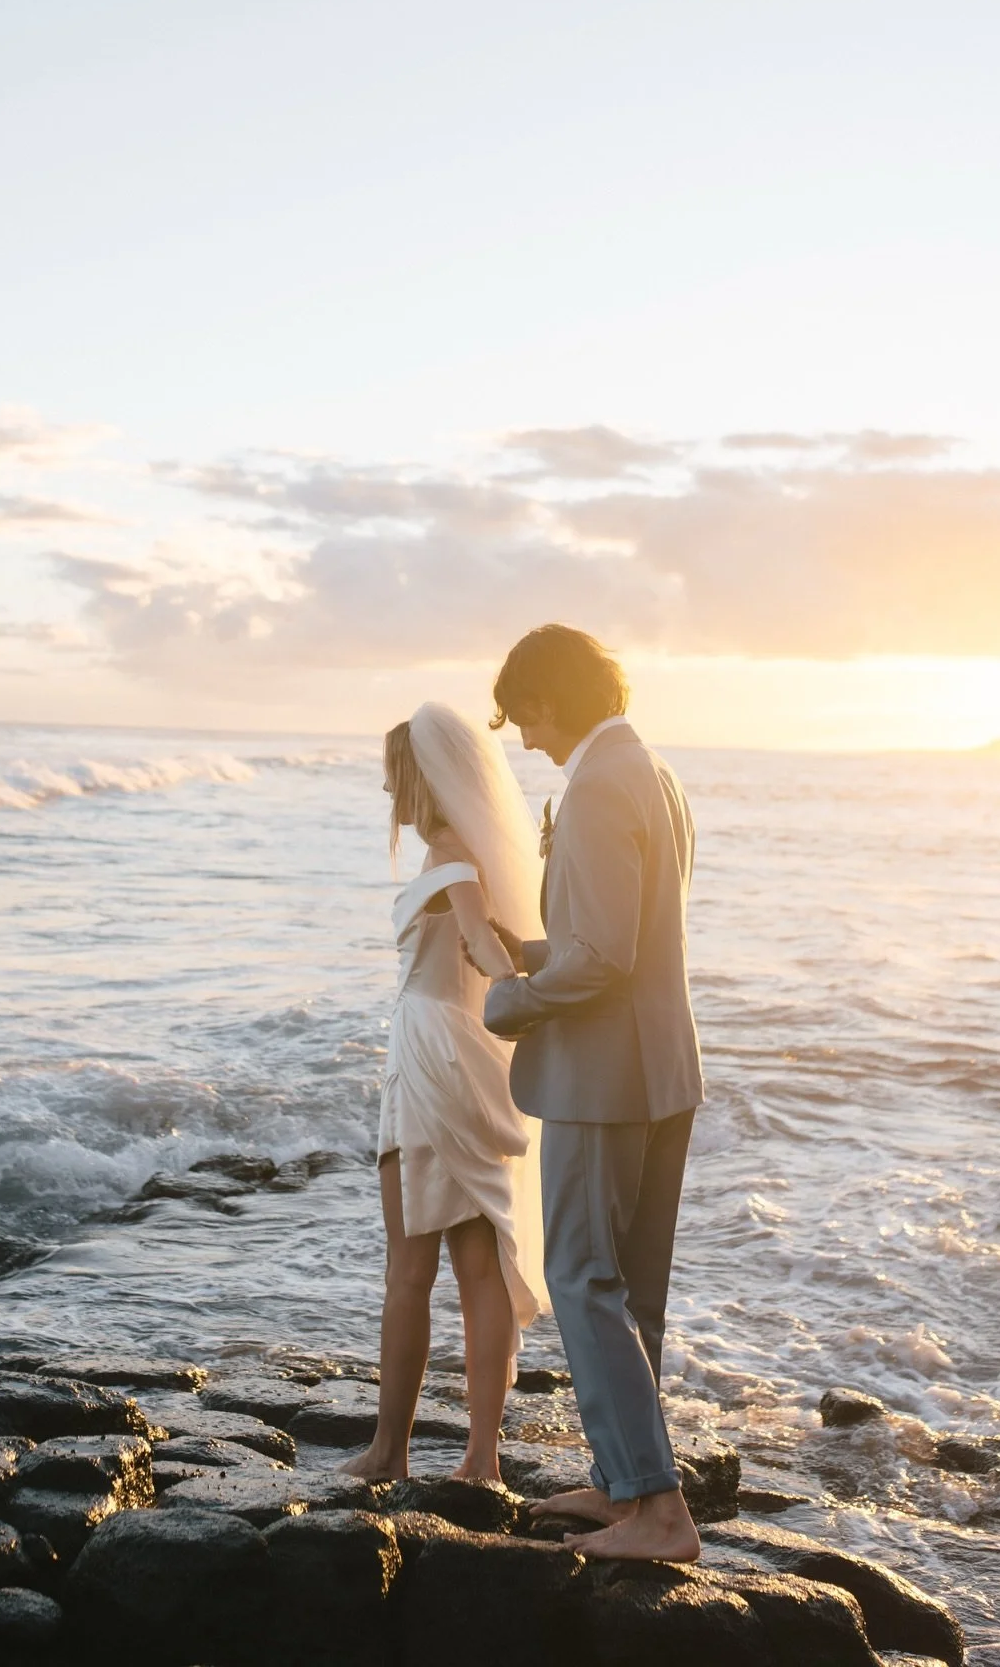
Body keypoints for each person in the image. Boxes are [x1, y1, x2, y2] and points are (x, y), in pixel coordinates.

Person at [482, 624, 705, 1561]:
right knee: (631, 1290)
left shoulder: (598, 785)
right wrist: (537, 951)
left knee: (579, 1278)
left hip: (604, 1079)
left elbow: (604, 961)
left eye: (524, 712)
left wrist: (513, 1001)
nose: (522, 735)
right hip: (661, 1072)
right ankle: (624, 1485)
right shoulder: (652, 772)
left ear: (554, 697)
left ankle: (658, 1512)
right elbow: (626, 937)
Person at [343, 702, 548, 1484]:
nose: (389, 791)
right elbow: (487, 943)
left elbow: (480, 941)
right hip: (461, 1053)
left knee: (409, 1271)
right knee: (478, 1263)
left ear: (421, 779)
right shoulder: (463, 854)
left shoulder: (451, 857)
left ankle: (390, 1452)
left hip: (431, 1058)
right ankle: (480, 1459)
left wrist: (520, 981)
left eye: (396, 775)